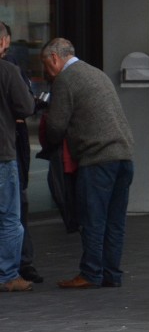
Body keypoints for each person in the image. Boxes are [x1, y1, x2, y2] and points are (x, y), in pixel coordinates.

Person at [41, 38, 134, 289]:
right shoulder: (96, 73)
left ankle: (90, 273)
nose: (45, 72)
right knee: (115, 221)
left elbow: (56, 126)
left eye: (45, 65)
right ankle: (111, 274)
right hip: (124, 156)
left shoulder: (65, 80)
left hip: (98, 158)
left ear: (54, 59)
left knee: (93, 218)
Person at [0, 23, 40, 284]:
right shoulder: (8, 70)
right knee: (9, 218)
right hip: (2, 154)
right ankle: (8, 275)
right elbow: (26, 107)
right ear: (4, 42)